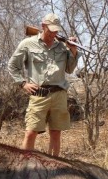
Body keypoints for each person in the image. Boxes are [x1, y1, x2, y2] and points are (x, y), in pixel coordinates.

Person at [8, 13, 81, 156]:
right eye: (51, 29)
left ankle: (54, 169)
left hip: (59, 94)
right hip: (39, 94)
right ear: (43, 26)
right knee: (30, 132)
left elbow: (69, 69)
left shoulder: (62, 46)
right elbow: (12, 66)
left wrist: (72, 50)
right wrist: (23, 83)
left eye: (56, 30)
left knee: (55, 133)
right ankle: (25, 169)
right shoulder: (28, 43)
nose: (54, 33)